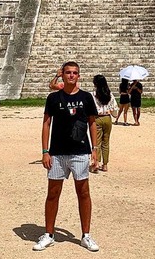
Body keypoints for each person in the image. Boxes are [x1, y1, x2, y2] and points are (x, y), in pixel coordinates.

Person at [33, 61, 100, 252]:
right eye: (68, 72)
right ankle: (49, 234)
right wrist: (45, 151)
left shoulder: (86, 97)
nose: (71, 75)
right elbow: (46, 124)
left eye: (75, 73)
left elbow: (92, 123)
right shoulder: (53, 98)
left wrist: (94, 149)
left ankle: (86, 235)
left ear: (79, 76)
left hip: (80, 151)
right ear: (62, 75)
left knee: (83, 192)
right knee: (53, 193)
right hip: (58, 152)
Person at [91, 74, 118, 172]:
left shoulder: (93, 94)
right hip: (107, 118)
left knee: (96, 142)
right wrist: (114, 115)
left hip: (97, 118)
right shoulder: (109, 93)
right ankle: (105, 164)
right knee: (106, 142)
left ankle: (96, 163)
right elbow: (114, 107)